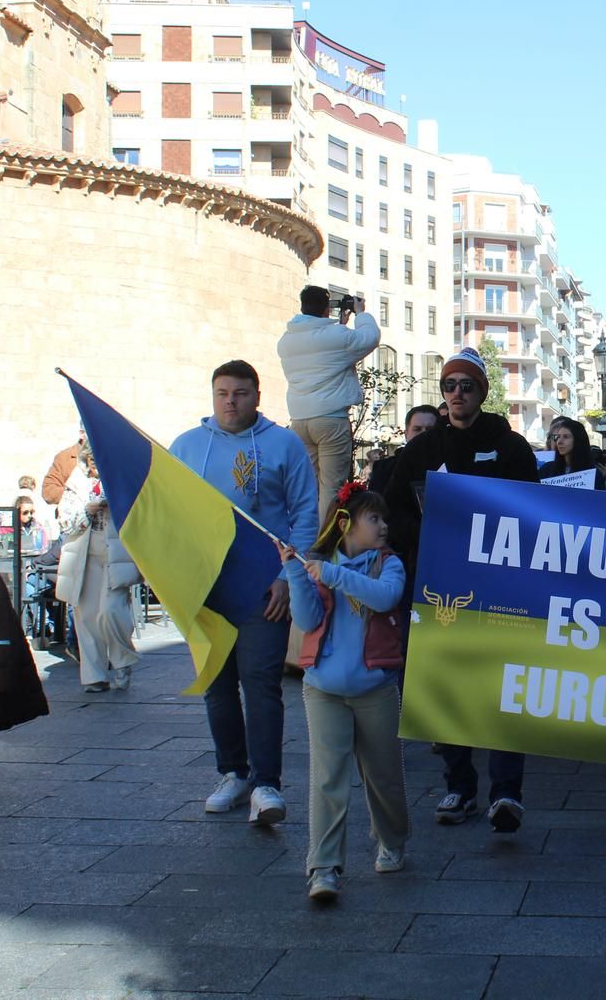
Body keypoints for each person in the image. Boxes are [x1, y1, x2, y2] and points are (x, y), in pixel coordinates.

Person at [384, 347, 540, 832]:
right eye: (449, 386)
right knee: (444, 687)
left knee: (502, 686)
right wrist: (427, 539)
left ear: (482, 393)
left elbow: (532, 512)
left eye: (466, 386)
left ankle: (507, 793)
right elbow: (394, 512)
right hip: (438, 587)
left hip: (499, 588)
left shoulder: (511, 446)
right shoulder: (421, 450)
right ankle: (459, 785)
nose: (456, 394)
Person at [169, 360, 319, 826]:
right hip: (207, 585)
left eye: (239, 393)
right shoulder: (187, 446)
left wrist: (287, 577)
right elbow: (171, 514)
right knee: (218, 684)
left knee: (261, 683)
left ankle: (267, 783)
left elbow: (305, 514)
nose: (230, 401)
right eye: (222, 393)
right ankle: (232, 773)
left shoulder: (284, 444)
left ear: (257, 396)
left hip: (264, 586)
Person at [280, 482, 410, 901]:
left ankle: (392, 840)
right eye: (374, 518)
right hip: (324, 689)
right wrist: (296, 574)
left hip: (376, 689)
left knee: (384, 776)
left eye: (384, 518)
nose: (383, 525)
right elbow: (305, 617)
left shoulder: (389, 564)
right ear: (346, 525)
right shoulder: (319, 566)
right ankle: (323, 867)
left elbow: (386, 598)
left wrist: (333, 574)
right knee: (327, 779)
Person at [277, 285, 382, 504]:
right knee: (332, 489)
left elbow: (324, 351)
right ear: (326, 309)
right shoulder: (337, 337)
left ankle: (307, 536)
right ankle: (326, 538)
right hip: (331, 420)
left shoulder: (286, 341)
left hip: (300, 420)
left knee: (309, 487)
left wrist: (339, 326)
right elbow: (370, 337)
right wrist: (360, 313)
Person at [56, 447, 141, 693]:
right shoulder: (76, 484)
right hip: (84, 556)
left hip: (117, 556)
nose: (96, 466)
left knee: (112, 611)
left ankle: (122, 660)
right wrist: (86, 511)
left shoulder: (122, 478)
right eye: (92, 461)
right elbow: (66, 521)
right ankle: (95, 675)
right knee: (87, 615)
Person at [367, 405, 439, 496]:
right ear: (406, 434)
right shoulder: (384, 469)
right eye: (417, 429)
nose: (423, 435)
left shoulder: (450, 466)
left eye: (429, 430)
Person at [538, 417, 605, 488]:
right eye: (558, 437)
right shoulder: (546, 470)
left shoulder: (594, 474)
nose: (559, 442)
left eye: (566, 437)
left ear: (578, 440)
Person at [41, 428, 84, 506]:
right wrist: (75, 494)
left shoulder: (107, 454)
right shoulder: (64, 457)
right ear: (82, 434)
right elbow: (48, 492)